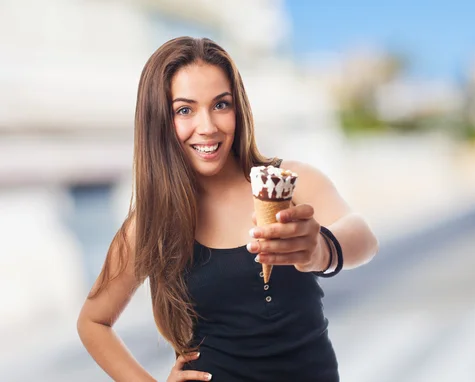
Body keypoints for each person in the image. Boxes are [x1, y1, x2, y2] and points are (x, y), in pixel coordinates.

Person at [76, 36, 379, 382]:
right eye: (184, 110)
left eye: (221, 105)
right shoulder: (151, 223)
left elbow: (365, 238)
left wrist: (321, 249)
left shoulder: (289, 182)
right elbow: (92, 322)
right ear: (159, 120)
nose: (208, 127)